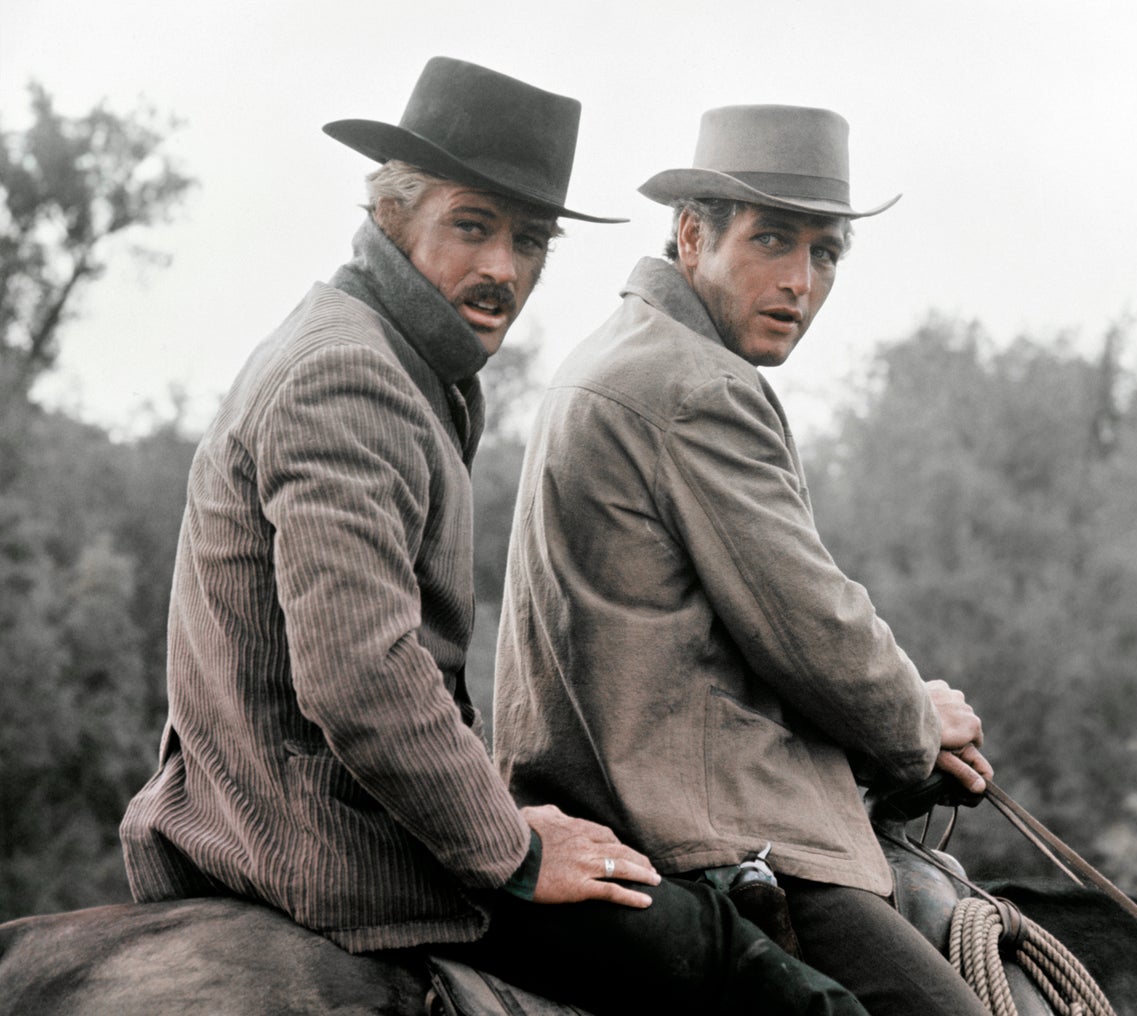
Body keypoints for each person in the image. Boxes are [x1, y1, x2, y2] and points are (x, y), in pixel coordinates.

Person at [119, 61, 867, 1016]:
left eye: (529, 240)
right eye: (472, 227)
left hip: (292, 809)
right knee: (756, 978)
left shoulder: (387, 356)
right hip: (313, 841)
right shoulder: (350, 375)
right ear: (393, 212)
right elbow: (362, 676)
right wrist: (511, 849)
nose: (504, 270)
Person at [494, 104, 995, 1015]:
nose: (799, 281)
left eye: (825, 253)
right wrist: (917, 722)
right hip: (712, 830)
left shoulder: (611, 356)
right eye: (772, 240)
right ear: (693, 236)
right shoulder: (697, 386)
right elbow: (814, 627)